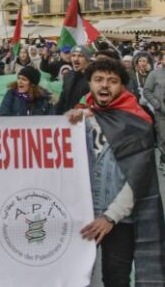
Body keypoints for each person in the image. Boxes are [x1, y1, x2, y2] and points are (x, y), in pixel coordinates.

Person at [66, 59, 165, 286]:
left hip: (120, 220)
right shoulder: (79, 120)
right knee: (73, 278)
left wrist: (110, 217)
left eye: (112, 81)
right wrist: (68, 123)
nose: (104, 85)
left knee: (116, 279)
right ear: (89, 84)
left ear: (121, 86)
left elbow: (138, 179)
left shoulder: (137, 121)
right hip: (82, 215)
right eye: (98, 79)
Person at [142, 60, 165, 174]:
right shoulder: (154, 74)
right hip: (161, 114)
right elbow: (146, 91)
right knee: (163, 138)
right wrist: (157, 105)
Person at [54, 45, 91, 114]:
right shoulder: (68, 75)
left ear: (87, 59)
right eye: (73, 55)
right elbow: (63, 98)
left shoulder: (93, 78)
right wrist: (56, 115)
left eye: (80, 56)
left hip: (84, 116)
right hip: (68, 116)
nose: (76, 59)